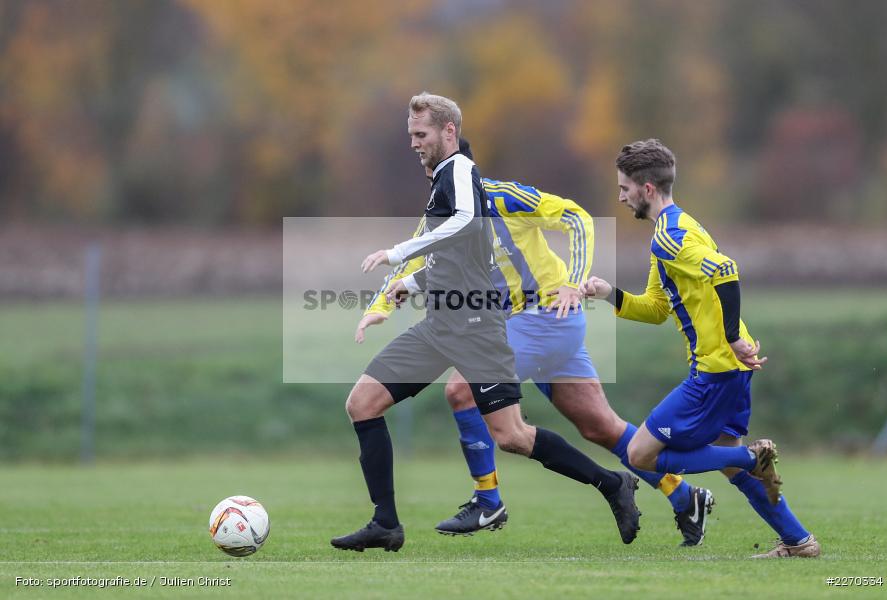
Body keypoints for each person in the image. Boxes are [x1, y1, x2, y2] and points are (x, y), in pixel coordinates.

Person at [357, 138, 714, 546]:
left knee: (462, 391)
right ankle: (686, 496)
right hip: (526, 326)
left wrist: (573, 282)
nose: (434, 181)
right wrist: (381, 303)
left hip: (547, 317)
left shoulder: (502, 197)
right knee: (602, 427)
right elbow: (412, 261)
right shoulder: (441, 216)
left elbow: (577, 218)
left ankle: (487, 499)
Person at [329, 93, 640, 553]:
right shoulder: (441, 181)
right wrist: (398, 293)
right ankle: (385, 524)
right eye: (410, 135)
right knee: (362, 403)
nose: (414, 143)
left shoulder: (458, 171)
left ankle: (611, 483)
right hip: (441, 326)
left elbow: (465, 226)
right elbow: (457, 253)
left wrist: (396, 254)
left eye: (421, 134)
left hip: (477, 326)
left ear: (448, 132)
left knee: (512, 436)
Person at [581, 138, 819, 558]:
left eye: (624, 188)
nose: (620, 196)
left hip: (715, 370)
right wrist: (608, 293)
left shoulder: (670, 237)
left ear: (647, 189)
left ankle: (754, 458)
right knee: (726, 461)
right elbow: (656, 308)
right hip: (729, 366)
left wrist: (730, 336)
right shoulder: (677, 228)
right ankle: (799, 541)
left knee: (640, 454)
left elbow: (726, 269)